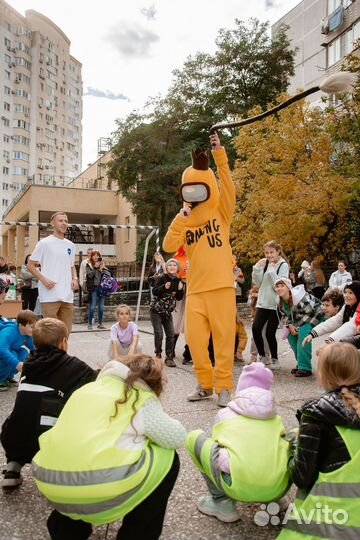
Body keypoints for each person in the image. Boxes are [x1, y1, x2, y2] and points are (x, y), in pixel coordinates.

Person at [32, 354, 186, 540]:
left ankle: (67, 529)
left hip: (49, 481)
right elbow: (177, 437)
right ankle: (138, 532)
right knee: (168, 457)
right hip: (97, 489)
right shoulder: (139, 396)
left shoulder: (86, 389)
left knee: (78, 452)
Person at [163, 132, 236, 407]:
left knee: (223, 339)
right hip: (196, 290)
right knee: (195, 341)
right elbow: (169, 244)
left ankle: (224, 386)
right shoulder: (186, 223)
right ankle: (205, 384)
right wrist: (180, 219)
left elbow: (227, 186)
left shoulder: (221, 214)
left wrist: (220, 155)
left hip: (221, 288)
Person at [186, 362, 290, 523]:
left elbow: (219, 446)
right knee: (287, 441)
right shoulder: (276, 419)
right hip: (277, 488)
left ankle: (222, 502)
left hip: (236, 486)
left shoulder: (225, 414)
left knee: (195, 438)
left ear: (241, 389)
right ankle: (275, 499)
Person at [0, 318, 96, 489]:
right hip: (45, 439)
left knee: (23, 414)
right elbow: (95, 382)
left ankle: (13, 466)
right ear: (64, 342)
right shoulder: (72, 365)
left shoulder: (29, 363)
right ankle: (60, 469)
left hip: (13, 436)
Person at [278, 342, 360, 539]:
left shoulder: (317, 413)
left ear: (323, 374)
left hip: (335, 522)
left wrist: (293, 446)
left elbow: (301, 476)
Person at [27, 211, 79, 335]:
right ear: (52, 223)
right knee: (51, 334)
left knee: (66, 333)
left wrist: (75, 279)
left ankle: (62, 354)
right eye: (60, 220)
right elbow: (30, 265)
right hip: (50, 294)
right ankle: (51, 355)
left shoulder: (70, 245)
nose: (64, 223)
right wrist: (44, 280)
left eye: (66, 221)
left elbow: (72, 266)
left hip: (67, 295)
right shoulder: (44, 243)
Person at [252, 240, 289, 370]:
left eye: (271, 252)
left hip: (275, 304)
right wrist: (257, 269)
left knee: (269, 333)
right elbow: (258, 282)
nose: (269, 255)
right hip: (262, 302)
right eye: (266, 253)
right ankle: (263, 356)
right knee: (256, 329)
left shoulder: (283, 265)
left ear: (278, 251)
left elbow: (280, 285)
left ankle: (274, 358)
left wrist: (272, 271)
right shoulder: (265, 263)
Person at [275, 277, 324, 377]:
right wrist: (290, 326)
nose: (279, 288)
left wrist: (297, 326)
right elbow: (285, 315)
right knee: (291, 336)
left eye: (282, 286)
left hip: (315, 315)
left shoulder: (299, 297)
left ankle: (305, 368)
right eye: (277, 286)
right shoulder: (279, 301)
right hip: (298, 319)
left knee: (303, 333)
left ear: (288, 287)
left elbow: (310, 311)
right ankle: (301, 363)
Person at [303, 281, 360, 346]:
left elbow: (351, 326)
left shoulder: (358, 308)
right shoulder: (347, 306)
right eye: (345, 292)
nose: (346, 295)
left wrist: (331, 339)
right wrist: (313, 333)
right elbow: (336, 320)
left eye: (350, 293)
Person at [150, 258, 184, 367]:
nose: (172, 267)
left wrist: (179, 290)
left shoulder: (179, 281)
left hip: (167, 312)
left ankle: (169, 357)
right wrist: (164, 287)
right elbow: (155, 291)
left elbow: (179, 298)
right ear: (167, 267)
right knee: (159, 334)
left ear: (177, 268)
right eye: (170, 265)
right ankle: (158, 354)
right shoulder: (161, 278)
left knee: (171, 334)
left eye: (174, 265)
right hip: (156, 310)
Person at [0, 309, 37, 392]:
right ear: (21, 325)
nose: (34, 329)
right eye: (31, 327)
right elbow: (1, 349)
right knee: (13, 354)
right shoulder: (9, 331)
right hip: (1, 352)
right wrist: (16, 364)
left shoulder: (27, 334)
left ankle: (7, 377)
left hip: (8, 352)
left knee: (23, 352)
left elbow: (34, 350)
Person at [85, 250, 111, 330]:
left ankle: (100, 324)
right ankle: (90, 324)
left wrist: (102, 269)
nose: (96, 257)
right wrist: (95, 268)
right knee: (92, 306)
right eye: (94, 255)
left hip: (102, 288)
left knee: (101, 307)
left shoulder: (102, 265)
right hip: (94, 288)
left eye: (97, 255)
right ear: (91, 257)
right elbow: (89, 275)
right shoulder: (88, 265)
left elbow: (109, 275)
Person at [247, 285, 271, 363]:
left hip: (266, 317)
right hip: (255, 317)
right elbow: (249, 304)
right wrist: (253, 297)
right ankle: (253, 356)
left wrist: (260, 295)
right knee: (254, 337)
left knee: (265, 337)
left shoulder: (267, 290)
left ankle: (266, 356)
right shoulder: (252, 293)